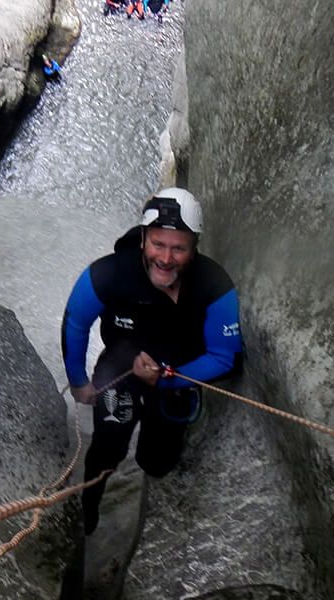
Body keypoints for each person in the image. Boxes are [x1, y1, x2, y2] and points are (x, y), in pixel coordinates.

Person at [61, 187, 243, 534]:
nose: (166, 257)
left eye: (178, 248)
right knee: (108, 446)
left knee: (156, 461)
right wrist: (79, 381)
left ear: (194, 247)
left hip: (176, 378)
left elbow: (226, 356)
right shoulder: (110, 274)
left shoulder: (212, 285)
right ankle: (88, 511)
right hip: (121, 371)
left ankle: (143, 477)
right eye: (158, 244)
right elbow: (76, 322)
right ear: (143, 238)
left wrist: (166, 378)